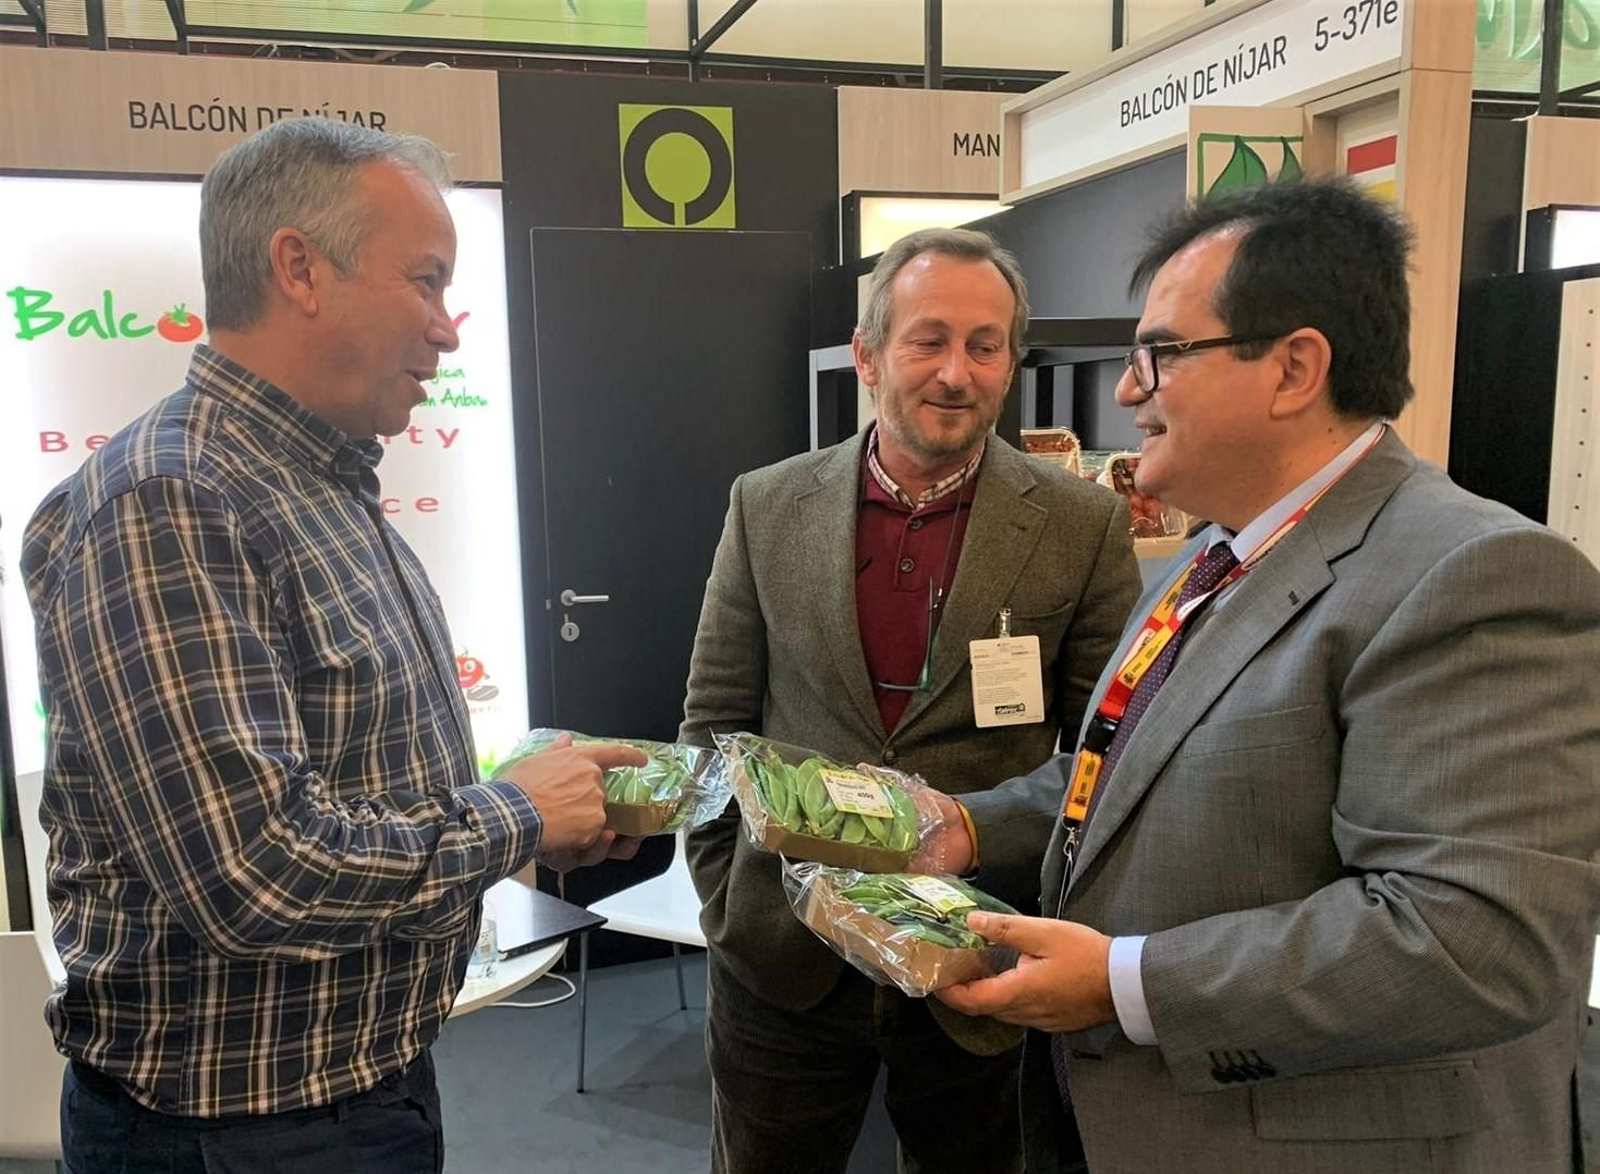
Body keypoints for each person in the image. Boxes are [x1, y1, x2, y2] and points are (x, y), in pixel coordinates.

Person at [931, 178, 1600, 1172]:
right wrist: (965, 823)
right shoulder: (1220, 558)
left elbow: (1473, 937)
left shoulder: (1472, 574)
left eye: (1161, 352)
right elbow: (1120, 780)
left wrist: (1124, 982)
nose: (1126, 390)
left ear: (1293, 368)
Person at [22, 118, 645, 1173]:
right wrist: (517, 812)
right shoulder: (173, 501)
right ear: (299, 269)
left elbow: (348, 785)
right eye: (426, 281)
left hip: (349, 1094)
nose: (448, 330)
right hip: (244, 1131)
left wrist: (538, 817)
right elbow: (255, 873)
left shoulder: (312, 484)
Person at [679, 226, 1143, 1173]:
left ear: (1011, 362)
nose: (956, 372)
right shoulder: (766, 507)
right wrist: (729, 895)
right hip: (785, 953)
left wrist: (1003, 854)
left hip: (980, 952)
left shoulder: (1081, 521)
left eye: (985, 345)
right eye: (928, 340)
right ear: (867, 355)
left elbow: (1117, 750)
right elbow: (712, 725)